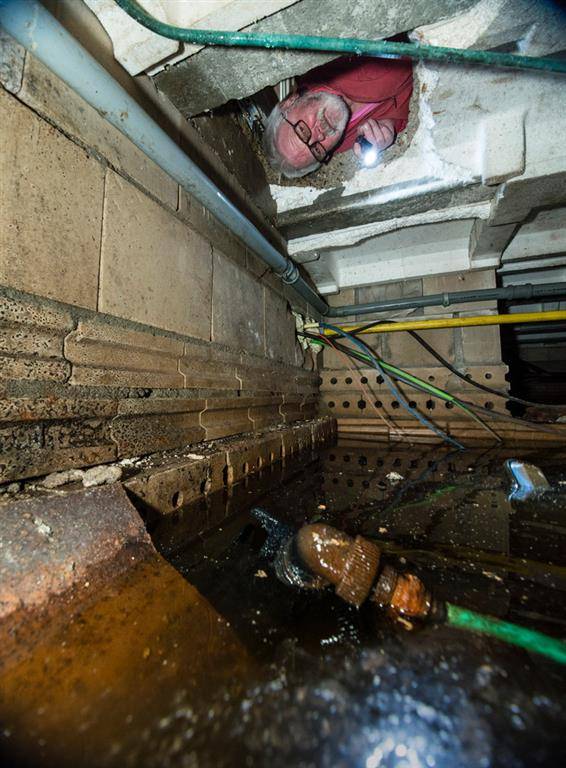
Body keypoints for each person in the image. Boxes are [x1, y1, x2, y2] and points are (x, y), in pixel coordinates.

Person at [263, 55, 413, 178]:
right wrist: (389, 124)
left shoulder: (325, 60)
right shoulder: (345, 142)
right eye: (317, 150)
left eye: (302, 131)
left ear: (289, 103)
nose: (319, 137)